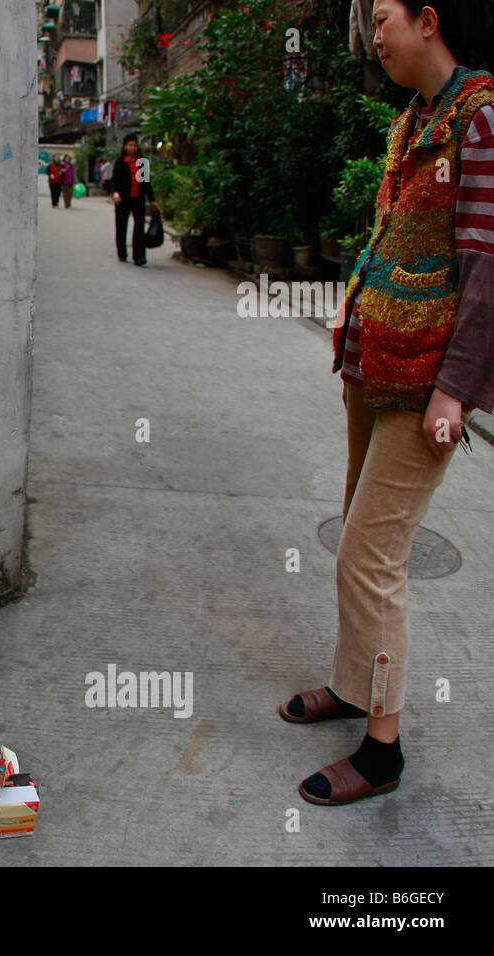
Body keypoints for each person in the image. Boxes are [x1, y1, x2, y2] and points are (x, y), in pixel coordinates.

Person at [281, 0, 494, 806]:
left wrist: (457, 390)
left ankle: (382, 748)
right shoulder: (416, 120)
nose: (373, 33)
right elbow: (390, 235)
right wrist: (353, 317)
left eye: (381, 17)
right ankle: (351, 685)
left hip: (423, 383)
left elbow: (486, 268)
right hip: (375, 365)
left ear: (428, 20)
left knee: (372, 557)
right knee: (356, 542)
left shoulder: (479, 123)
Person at [110, 134, 159, 265]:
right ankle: (122, 253)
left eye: (135, 145)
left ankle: (139, 256)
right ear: (125, 146)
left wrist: (152, 200)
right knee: (121, 226)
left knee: (139, 226)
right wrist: (115, 193)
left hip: (138, 198)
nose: (132, 147)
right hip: (123, 198)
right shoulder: (121, 162)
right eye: (130, 145)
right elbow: (114, 180)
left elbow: (146, 183)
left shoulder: (142, 162)